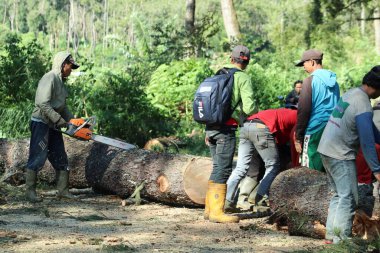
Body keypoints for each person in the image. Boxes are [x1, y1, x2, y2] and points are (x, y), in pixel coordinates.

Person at [317, 66, 380, 244]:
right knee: (349, 197)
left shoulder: (352, 94)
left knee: (339, 195)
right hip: (340, 154)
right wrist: (376, 169)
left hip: (326, 148)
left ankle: (332, 236)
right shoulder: (364, 104)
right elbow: (367, 142)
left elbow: (370, 131)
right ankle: (341, 240)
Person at [204, 45, 256, 223]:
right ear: (247, 62)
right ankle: (217, 212)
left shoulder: (218, 73)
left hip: (211, 127)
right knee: (224, 168)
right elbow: (249, 108)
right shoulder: (243, 77)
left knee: (216, 167)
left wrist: (208, 129)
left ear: (231, 58)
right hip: (226, 129)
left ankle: (209, 209)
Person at [25, 51, 79, 203]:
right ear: (63, 64)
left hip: (53, 124)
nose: (71, 69)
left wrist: (75, 123)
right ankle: (30, 192)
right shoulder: (50, 78)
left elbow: (63, 107)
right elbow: (42, 103)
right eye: (70, 66)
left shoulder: (61, 82)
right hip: (41, 123)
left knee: (60, 155)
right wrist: (59, 120)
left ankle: (63, 191)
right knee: (37, 156)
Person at [225, 108, 297, 212]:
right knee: (272, 166)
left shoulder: (284, 113)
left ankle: (226, 201)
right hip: (261, 127)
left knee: (240, 168)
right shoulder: (299, 116)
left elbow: (280, 140)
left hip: (245, 126)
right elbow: (296, 137)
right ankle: (261, 200)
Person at [294, 49, 340, 172]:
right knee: (327, 168)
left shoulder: (309, 81)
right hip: (333, 127)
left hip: (315, 129)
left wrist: (298, 136)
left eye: (304, 63)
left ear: (312, 62)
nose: (303, 67)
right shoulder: (334, 82)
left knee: (309, 170)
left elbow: (303, 110)